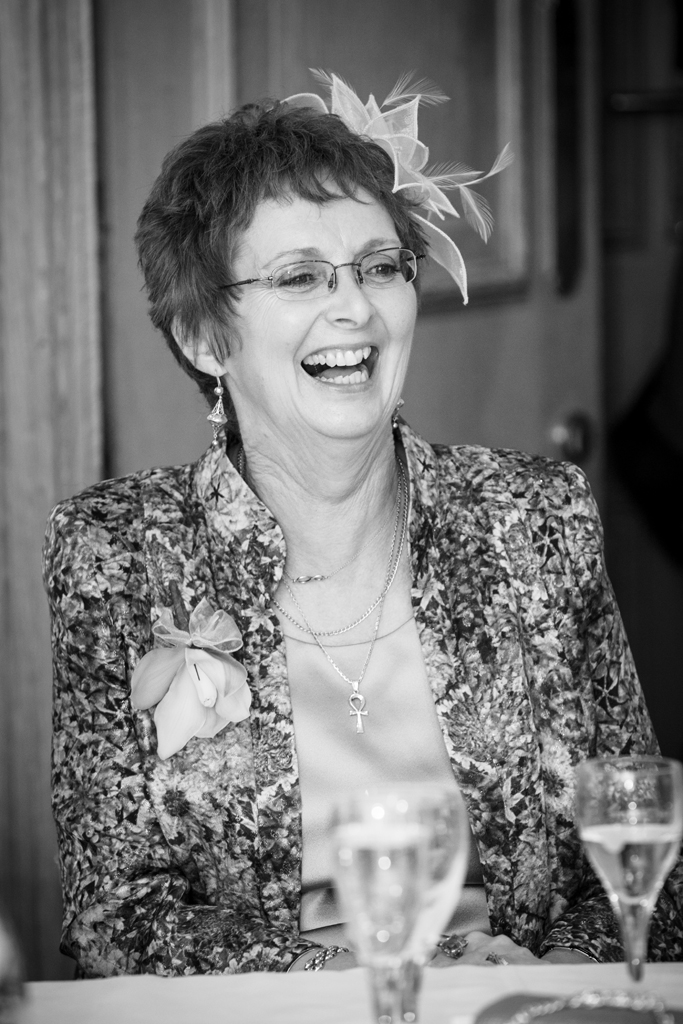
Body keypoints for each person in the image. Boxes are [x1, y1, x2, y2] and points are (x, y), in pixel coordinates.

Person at [44, 72, 683, 978]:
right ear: (204, 338)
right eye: (300, 276)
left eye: (380, 267)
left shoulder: (536, 516)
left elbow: (640, 849)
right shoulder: (117, 550)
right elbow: (117, 914)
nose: (355, 308)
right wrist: (371, 978)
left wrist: (538, 980)